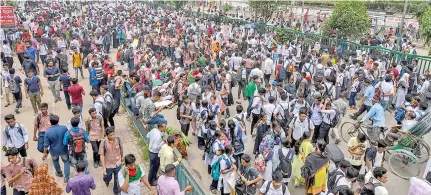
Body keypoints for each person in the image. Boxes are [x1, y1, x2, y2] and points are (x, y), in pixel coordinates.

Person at [42, 114, 70, 183]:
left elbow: (46, 145)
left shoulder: (48, 132)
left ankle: (59, 173)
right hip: (63, 149)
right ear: (58, 121)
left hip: (53, 151)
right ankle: (66, 177)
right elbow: (68, 138)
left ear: (50, 122)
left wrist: (45, 153)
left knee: (55, 161)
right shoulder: (64, 128)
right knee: (66, 161)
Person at [100, 126, 123, 195]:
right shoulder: (103, 143)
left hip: (118, 163)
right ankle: (106, 180)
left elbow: (121, 149)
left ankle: (116, 191)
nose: (113, 136)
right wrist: (104, 168)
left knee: (117, 179)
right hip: (108, 165)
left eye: (113, 134)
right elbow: (102, 155)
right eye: (110, 135)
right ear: (107, 135)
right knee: (107, 177)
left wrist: (122, 157)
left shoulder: (118, 140)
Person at [146, 122, 167, 186]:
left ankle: (154, 177)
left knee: (155, 166)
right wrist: (163, 142)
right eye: (164, 126)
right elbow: (156, 147)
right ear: (160, 127)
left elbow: (147, 136)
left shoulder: (154, 130)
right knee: (153, 168)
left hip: (150, 151)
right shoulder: (158, 137)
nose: (165, 128)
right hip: (154, 153)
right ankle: (150, 181)